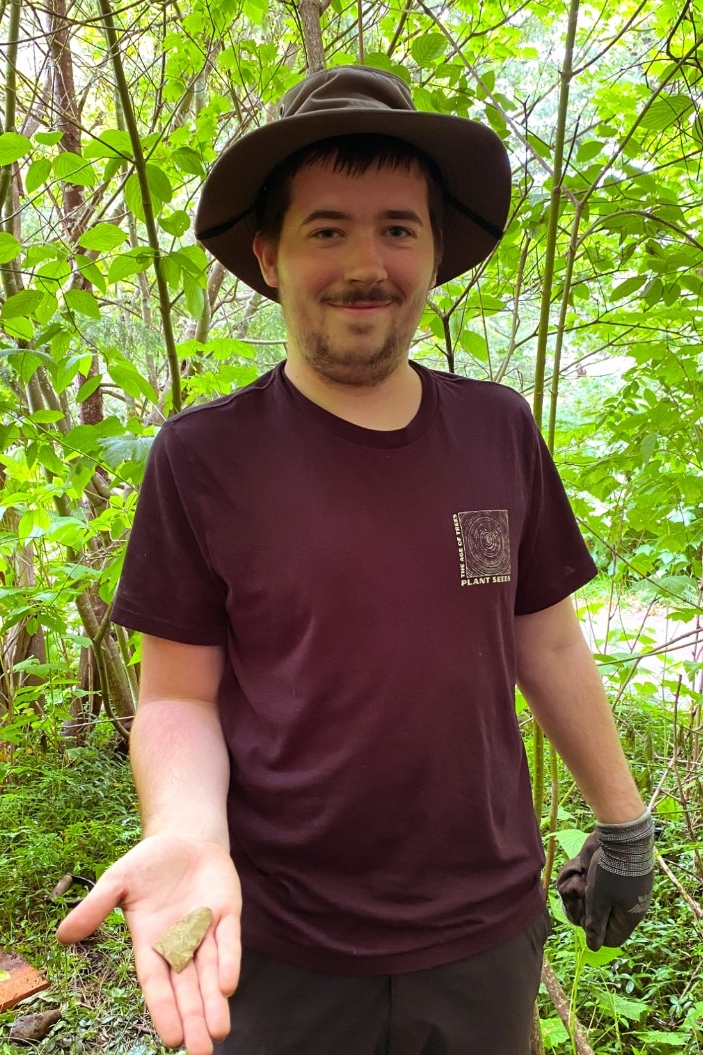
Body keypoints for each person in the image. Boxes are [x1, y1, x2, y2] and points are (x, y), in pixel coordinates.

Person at [57, 66, 654, 1055]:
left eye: (397, 227)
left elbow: (541, 638)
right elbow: (176, 698)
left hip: (484, 931)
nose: (365, 261)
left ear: (432, 252)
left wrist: (623, 822)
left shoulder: (497, 430)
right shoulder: (204, 456)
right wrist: (190, 834)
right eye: (326, 229)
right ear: (268, 254)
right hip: (280, 940)